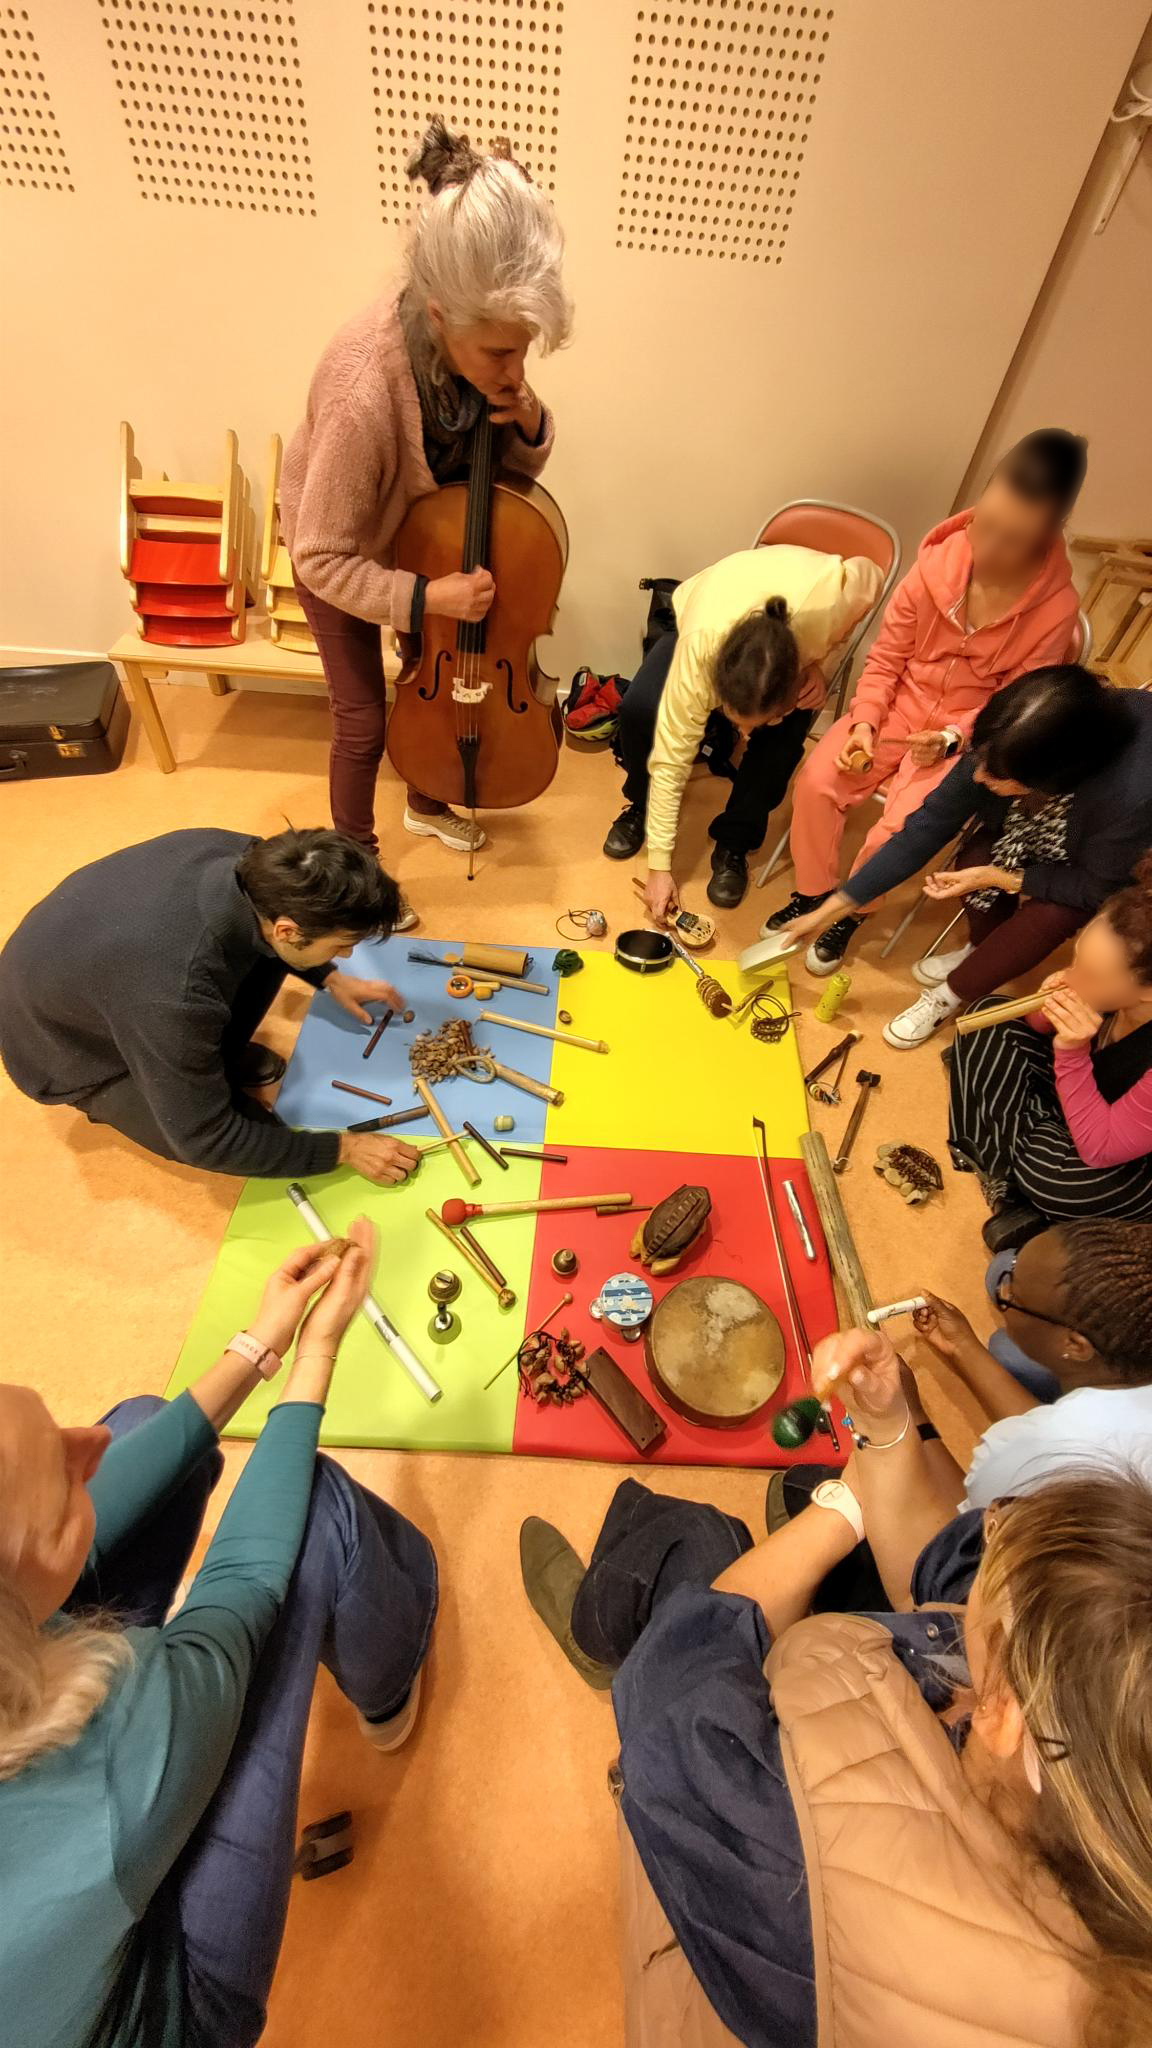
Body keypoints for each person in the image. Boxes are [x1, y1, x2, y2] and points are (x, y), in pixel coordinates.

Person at [520, 1336, 1152, 2047]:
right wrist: (885, 1431)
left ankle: (596, 1631)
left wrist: (842, 1509)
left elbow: (678, 1665)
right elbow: (943, 1586)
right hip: (823, 1714)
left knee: (694, 1539)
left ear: (1003, 1704)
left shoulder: (798, 1854)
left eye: (1001, 1529)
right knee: (805, 1504)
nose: (988, 1524)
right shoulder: (1078, 1775)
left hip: (692, 1860)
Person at [0, 1222, 438, 2048]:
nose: (89, 1444)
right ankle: (391, 1680)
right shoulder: (97, 1763)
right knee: (312, 1505)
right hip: (167, 2000)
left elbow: (54, 1526)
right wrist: (314, 1353)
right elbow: (242, 1588)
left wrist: (259, 1342)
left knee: (143, 1422)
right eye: (59, 1483)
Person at [282, 116, 570, 866]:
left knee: (435, 677)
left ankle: (427, 799)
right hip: (340, 549)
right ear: (440, 316)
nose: (514, 371)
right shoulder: (361, 390)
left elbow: (507, 482)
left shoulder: (473, 354)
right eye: (501, 353)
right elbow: (320, 558)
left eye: (524, 352)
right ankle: (355, 863)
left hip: (422, 541)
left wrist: (529, 421)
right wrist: (427, 597)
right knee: (362, 718)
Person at [766, 429, 1086, 962]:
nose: (988, 549)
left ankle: (852, 911)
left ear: (1051, 532)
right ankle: (815, 895)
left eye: (1013, 539)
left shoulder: (1056, 610)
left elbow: (1016, 708)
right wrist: (865, 721)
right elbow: (887, 656)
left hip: (967, 738)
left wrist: (952, 736)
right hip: (897, 705)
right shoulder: (935, 563)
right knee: (817, 781)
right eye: (986, 524)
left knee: (898, 829)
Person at [0, 826, 420, 1185]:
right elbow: (206, 1140)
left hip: (98, 974)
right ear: (288, 930)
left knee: (255, 966)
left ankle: (200, 1063)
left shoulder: (253, 860)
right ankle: (174, 1073)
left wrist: (330, 978)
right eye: (342, 945)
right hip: (62, 1048)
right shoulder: (174, 995)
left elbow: (273, 937)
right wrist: (343, 1149)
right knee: (234, 1136)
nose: (346, 955)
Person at [776, 665, 1152, 1047]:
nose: (978, 777)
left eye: (996, 775)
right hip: (1031, 826)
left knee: (1048, 917)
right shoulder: (1013, 734)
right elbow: (927, 826)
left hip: (1099, 868)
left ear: (1050, 780)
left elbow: (1096, 888)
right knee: (973, 860)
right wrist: (830, 909)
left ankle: (950, 995)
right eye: (980, 759)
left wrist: (1000, 877)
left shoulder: (1131, 796)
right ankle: (979, 948)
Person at [602, 545, 883, 910]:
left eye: (753, 726)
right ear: (717, 688)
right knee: (640, 709)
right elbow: (671, 760)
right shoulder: (699, 656)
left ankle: (734, 841)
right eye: (738, 723)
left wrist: (821, 663)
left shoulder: (833, 601)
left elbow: (872, 572)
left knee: (782, 744)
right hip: (706, 611)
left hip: (799, 615)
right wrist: (659, 868)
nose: (746, 736)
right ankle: (641, 804)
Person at [949, 856, 1152, 1242]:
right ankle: (1017, 1186)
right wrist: (1048, 1010)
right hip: (1086, 1100)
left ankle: (1010, 1168)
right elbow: (1036, 1029)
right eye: (1077, 958)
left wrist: (1072, 1053)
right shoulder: (1108, 982)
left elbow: (1101, 1149)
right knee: (988, 1018)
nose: (1074, 976)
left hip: (1124, 1154)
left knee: (1060, 1181)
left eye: (1091, 974)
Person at [909, 1218, 1152, 1508]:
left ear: (1075, 1345)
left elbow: (960, 1531)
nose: (1004, 1291)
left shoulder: (1022, 1461)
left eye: (1014, 1299)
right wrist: (961, 1345)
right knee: (1001, 1270)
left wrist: (910, 1417)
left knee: (1007, 1344)